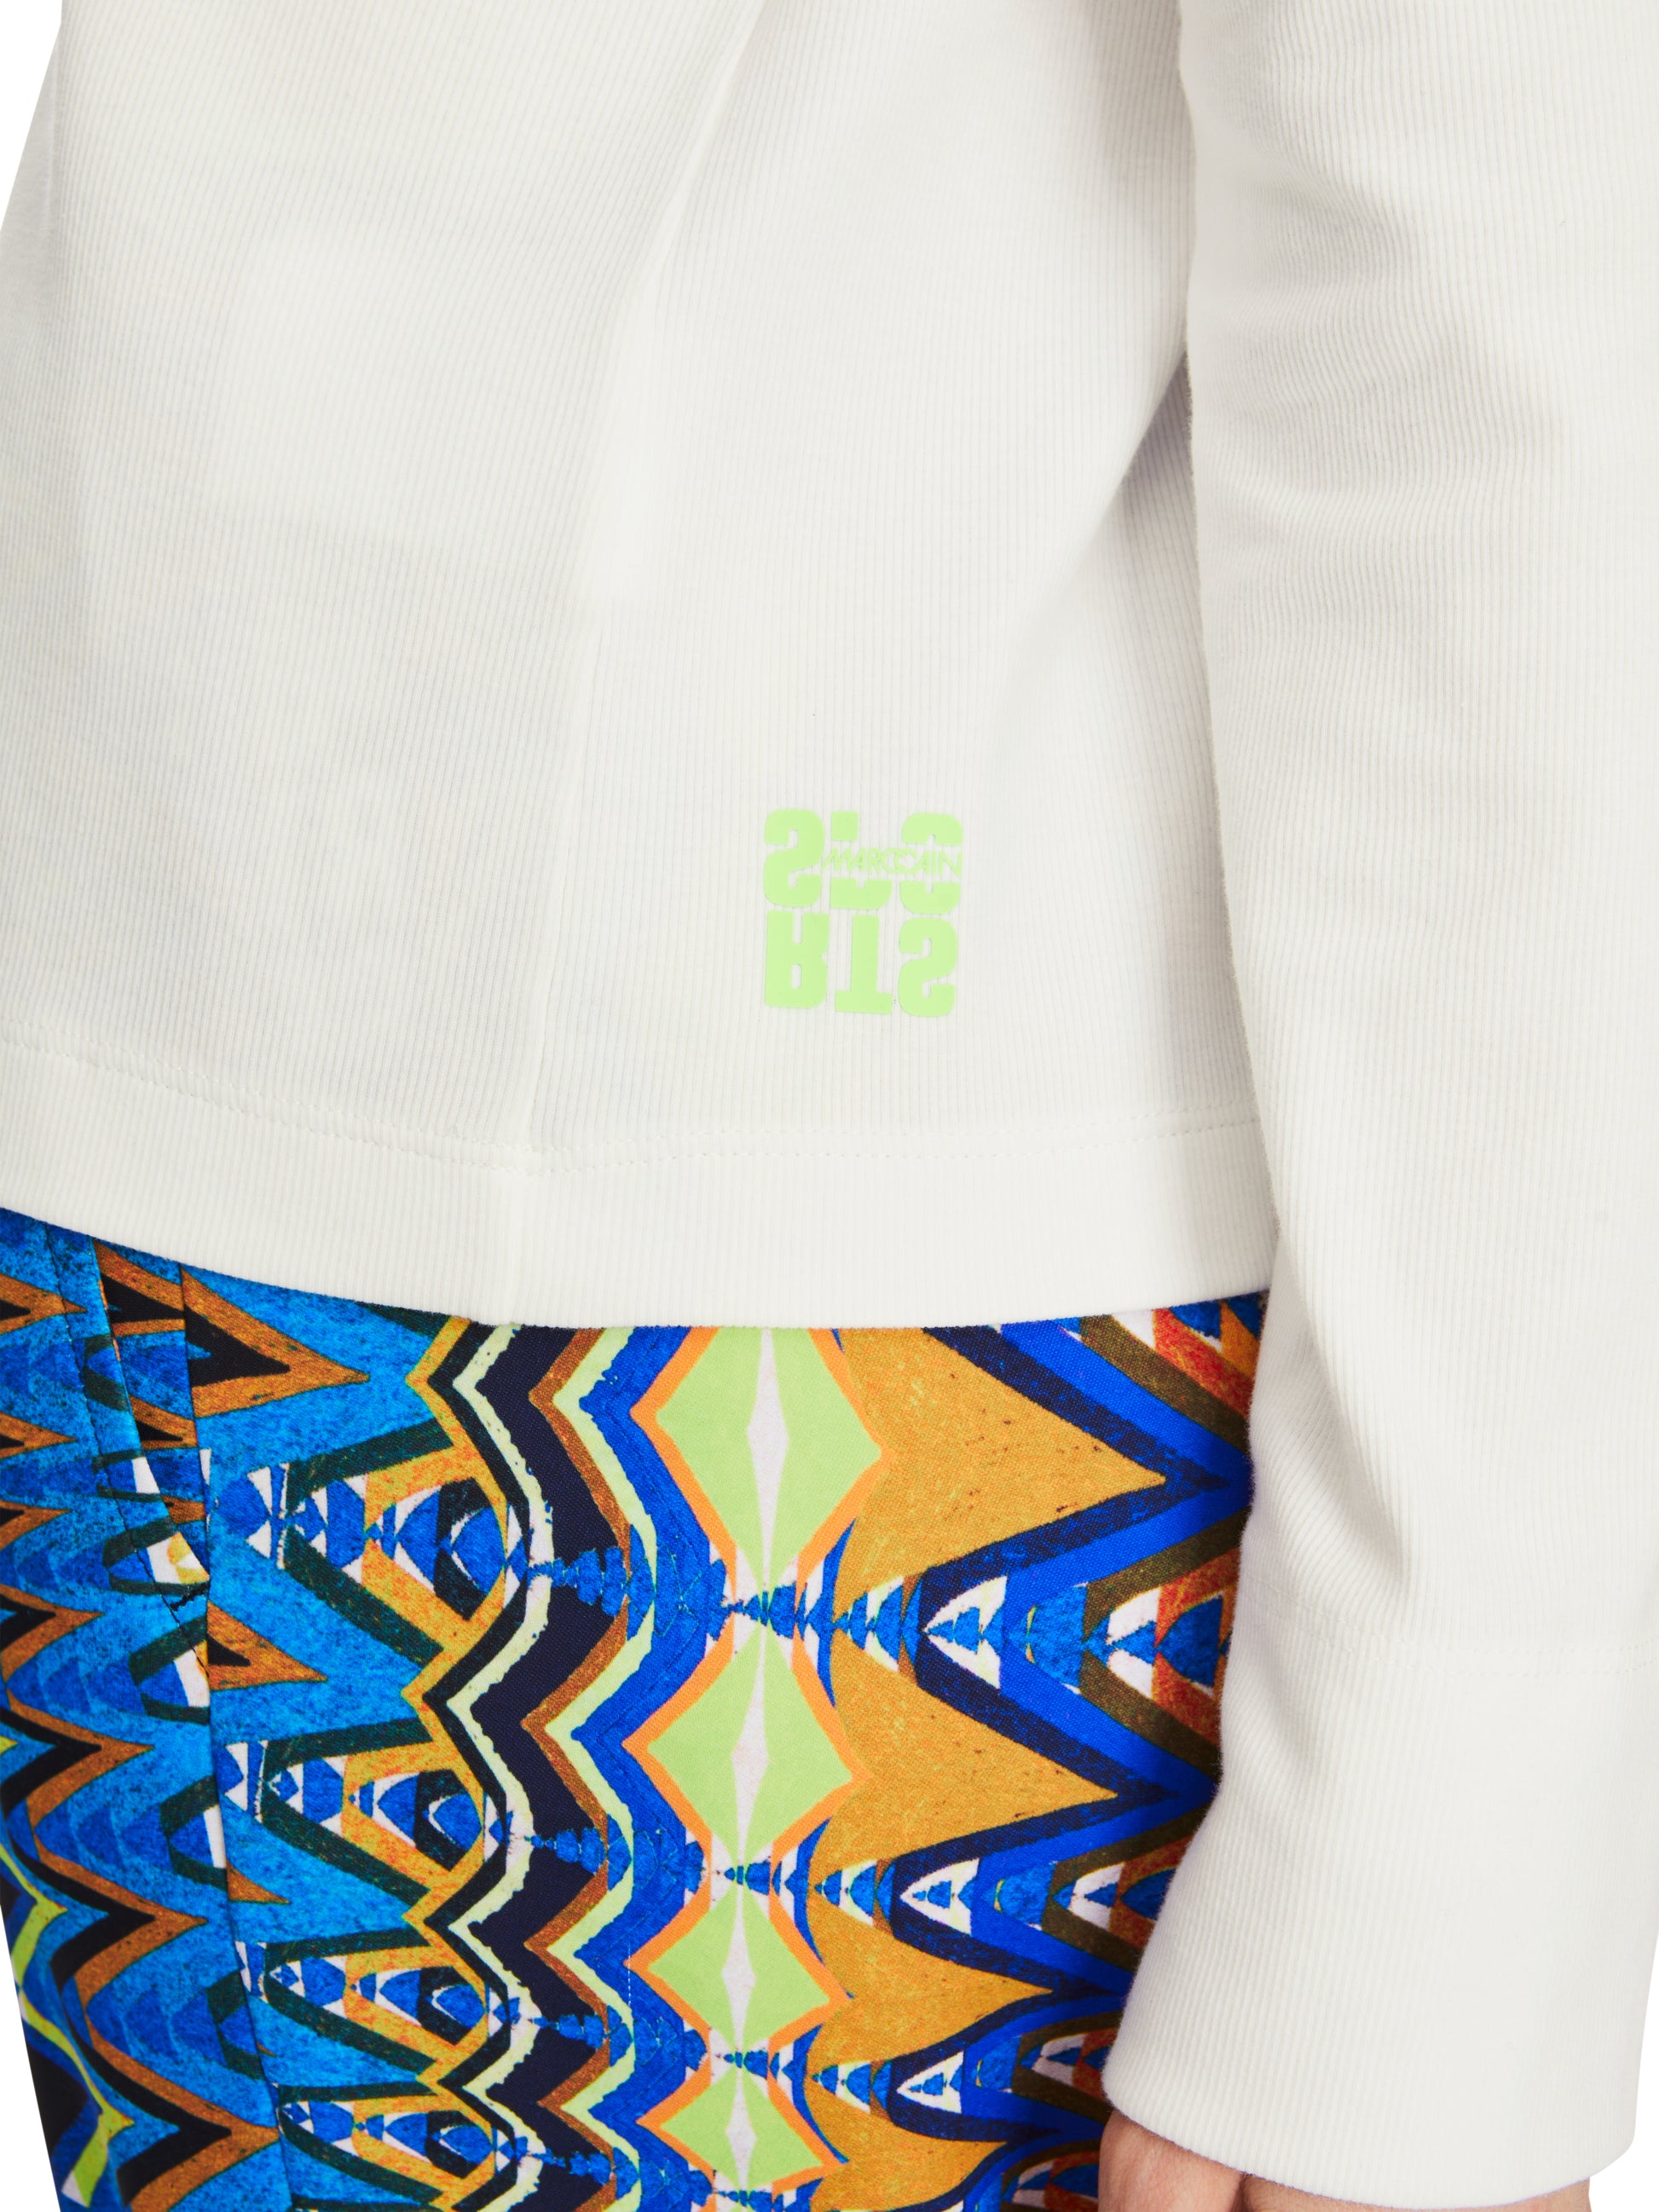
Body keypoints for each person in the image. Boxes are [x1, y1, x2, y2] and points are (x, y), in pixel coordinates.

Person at [0, 5, 1652, 2211]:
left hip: (770, 1283)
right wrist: (1456, 1797)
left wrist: (1447, 1787)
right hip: (672, 1274)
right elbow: (1465, 278)